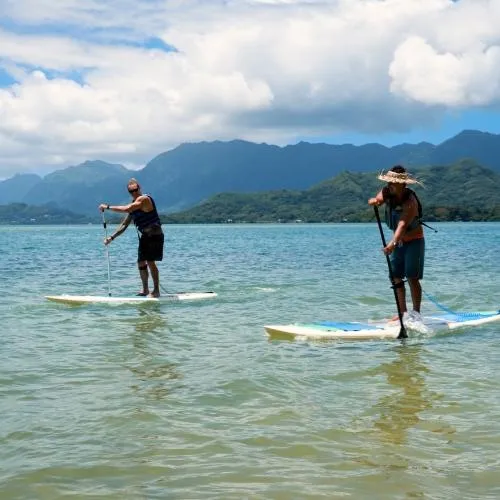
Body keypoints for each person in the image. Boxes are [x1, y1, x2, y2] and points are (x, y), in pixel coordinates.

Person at [368, 165, 425, 324]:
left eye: (393, 183)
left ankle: (416, 313)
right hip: (398, 242)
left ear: (403, 184)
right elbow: (378, 199)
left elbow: (401, 225)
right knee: (395, 276)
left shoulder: (410, 202)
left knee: (412, 277)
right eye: (388, 182)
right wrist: (375, 201)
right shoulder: (387, 192)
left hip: (414, 241)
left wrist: (391, 244)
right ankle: (403, 313)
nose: (389, 185)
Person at [99, 178, 164, 297]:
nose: (134, 192)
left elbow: (127, 208)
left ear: (139, 188)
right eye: (131, 191)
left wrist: (107, 207)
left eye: (135, 189)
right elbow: (124, 225)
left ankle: (156, 291)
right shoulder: (134, 206)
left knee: (150, 262)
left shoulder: (144, 199)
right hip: (145, 236)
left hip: (155, 235)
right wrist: (111, 238)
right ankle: (145, 290)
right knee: (140, 262)